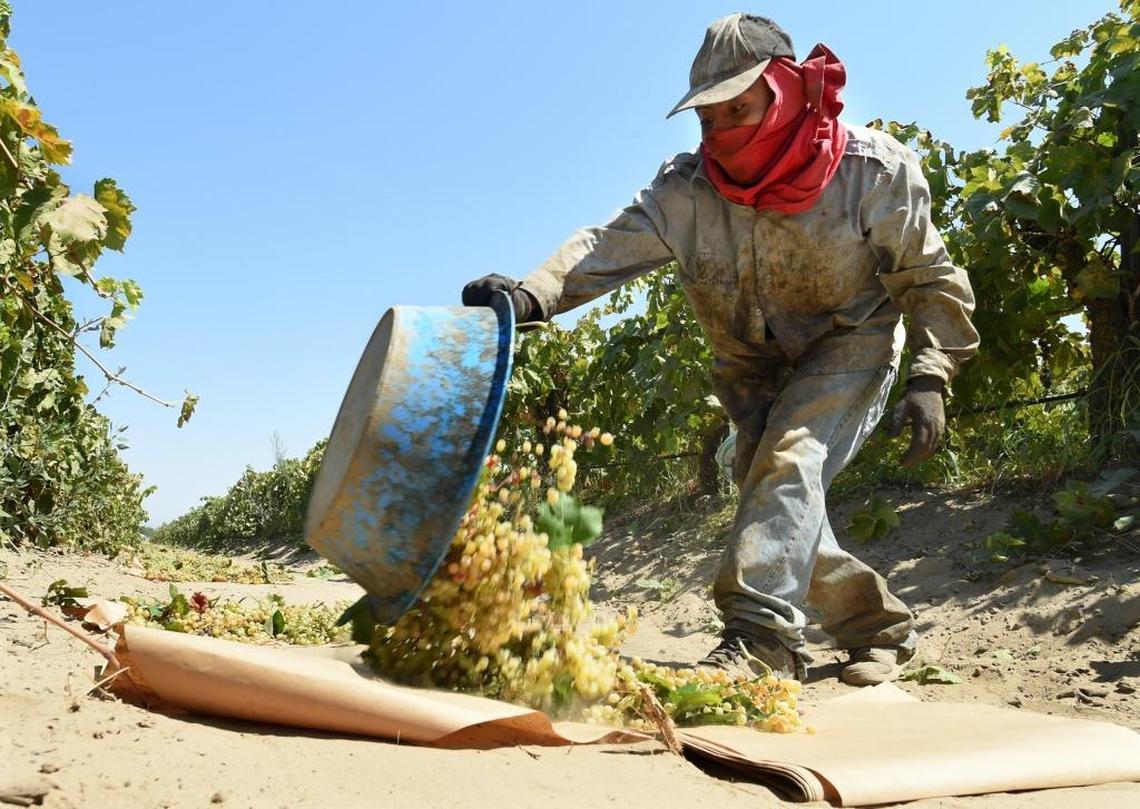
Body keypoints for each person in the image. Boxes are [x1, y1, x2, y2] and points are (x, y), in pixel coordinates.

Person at [462, 13, 979, 686]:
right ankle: (880, 629)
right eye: (709, 116)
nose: (723, 130)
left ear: (788, 92)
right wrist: (530, 295)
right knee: (776, 501)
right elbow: (603, 248)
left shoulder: (870, 173)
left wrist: (932, 371)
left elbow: (930, 277)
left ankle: (762, 641)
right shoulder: (686, 191)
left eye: (740, 107)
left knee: (788, 468)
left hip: (847, 346)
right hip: (748, 366)